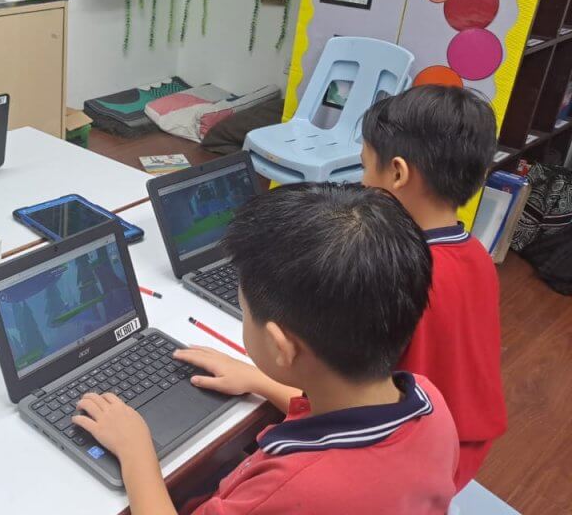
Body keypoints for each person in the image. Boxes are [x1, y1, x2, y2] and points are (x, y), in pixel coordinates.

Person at [73, 183, 459, 514]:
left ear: (280, 346)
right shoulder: (431, 402)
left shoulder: (290, 488)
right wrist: (260, 380)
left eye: (244, 312)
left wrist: (136, 453)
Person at [360, 85, 506, 490]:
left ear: (398, 173)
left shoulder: (395, 275)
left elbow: (348, 401)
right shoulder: (476, 254)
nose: (362, 181)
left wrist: (257, 381)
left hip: (414, 463)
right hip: (465, 447)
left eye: (364, 167)